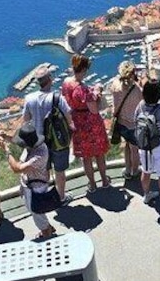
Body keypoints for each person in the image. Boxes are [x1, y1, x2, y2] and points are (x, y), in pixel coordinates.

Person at [22, 66, 75, 202]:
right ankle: (61, 197)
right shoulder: (57, 97)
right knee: (59, 171)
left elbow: (26, 121)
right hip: (57, 141)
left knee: (44, 171)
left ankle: (45, 198)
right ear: (50, 80)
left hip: (38, 143)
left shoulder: (29, 98)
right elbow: (69, 118)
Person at [0, 123, 56, 239]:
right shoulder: (34, 145)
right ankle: (47, 227)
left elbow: (17, 169)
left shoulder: (38, 156)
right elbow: (17, 141)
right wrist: (5, 137)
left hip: (36, 189)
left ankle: (47, 236)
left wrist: (7, 151)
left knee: (36, 212)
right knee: (38, 212)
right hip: (31, 185)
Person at [62, 54, 110, 193]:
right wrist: (97, 92)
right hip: (91, 123)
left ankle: (92, 184)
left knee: (86, 157)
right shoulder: (82, 90)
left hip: (77, 122)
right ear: (83, 70)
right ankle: (105, 181)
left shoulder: (66, 83)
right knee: (99, 153)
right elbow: (94, 110)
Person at [136, 79, 160, 206]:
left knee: (146, 171)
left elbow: (134, 121)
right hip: (159, 145)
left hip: (144, 145)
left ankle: (147, 195)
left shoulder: (140, 105)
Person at [109, 61, 143, 181]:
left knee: (126, 146)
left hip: (121, 122)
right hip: (134, 123)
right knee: (134, 149)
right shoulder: (137, 89)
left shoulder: (115, 85)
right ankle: (135, 171)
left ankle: (127, 169)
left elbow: (114, 107)